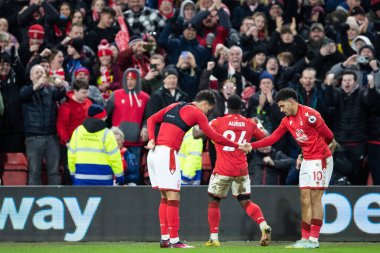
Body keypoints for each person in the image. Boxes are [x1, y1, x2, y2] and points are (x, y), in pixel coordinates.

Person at [146, 90, 250, 248]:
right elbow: (215, 136)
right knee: (174, 196)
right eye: (208, 110)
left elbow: (151, 119)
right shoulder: (197, 113)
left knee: (165, 197)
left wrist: (152, 139)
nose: (207, 113)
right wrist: (238, 145)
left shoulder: (175, 105)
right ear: (205, 104)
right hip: (168, 154)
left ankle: (165, 238)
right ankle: (175, 241)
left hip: (154, 153)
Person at [248, 88, 335, 249]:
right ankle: (304, 238)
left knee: (315, 198)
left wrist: (320, 150)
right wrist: (251, 145)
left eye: (282, 106)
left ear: (291, 102)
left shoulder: (310, 115)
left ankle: (314, 240)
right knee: (304, 198)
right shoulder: (287, 120)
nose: (281, 110)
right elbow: (272, 138)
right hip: (307, 159)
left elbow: (329, 135)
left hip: (320, 159)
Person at [205, 94, 271, 247]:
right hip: (241, 170)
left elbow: (197, 134)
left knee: (214, 202)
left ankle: (214, 238)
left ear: (227, 107)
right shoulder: (249, 123)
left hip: (222, 170)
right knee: (246, 201)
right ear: (242, 108)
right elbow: (265, 140)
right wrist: (259, 125)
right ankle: (263, 225)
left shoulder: (217, 122)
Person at [20, 64, 66, 185]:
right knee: (34, 172)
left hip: (51, 137)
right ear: (31, 77)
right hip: (33, 138)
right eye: (37, 73)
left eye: (42, 72)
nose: (40, 74)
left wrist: (61, 87)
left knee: (54, 172)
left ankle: (56, 198)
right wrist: (35, 87)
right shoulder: (25, 89)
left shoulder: (50, 90)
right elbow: (22, 96)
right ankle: (34, 199)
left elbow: (60, 94)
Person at [68, 104, 124, 186]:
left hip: (81, 178)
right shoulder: (107, 133)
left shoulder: (78, 131)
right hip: (104, 179)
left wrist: (73, 173)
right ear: (103, 117)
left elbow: (71, 155)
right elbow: (115, 157)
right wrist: (119, 176)